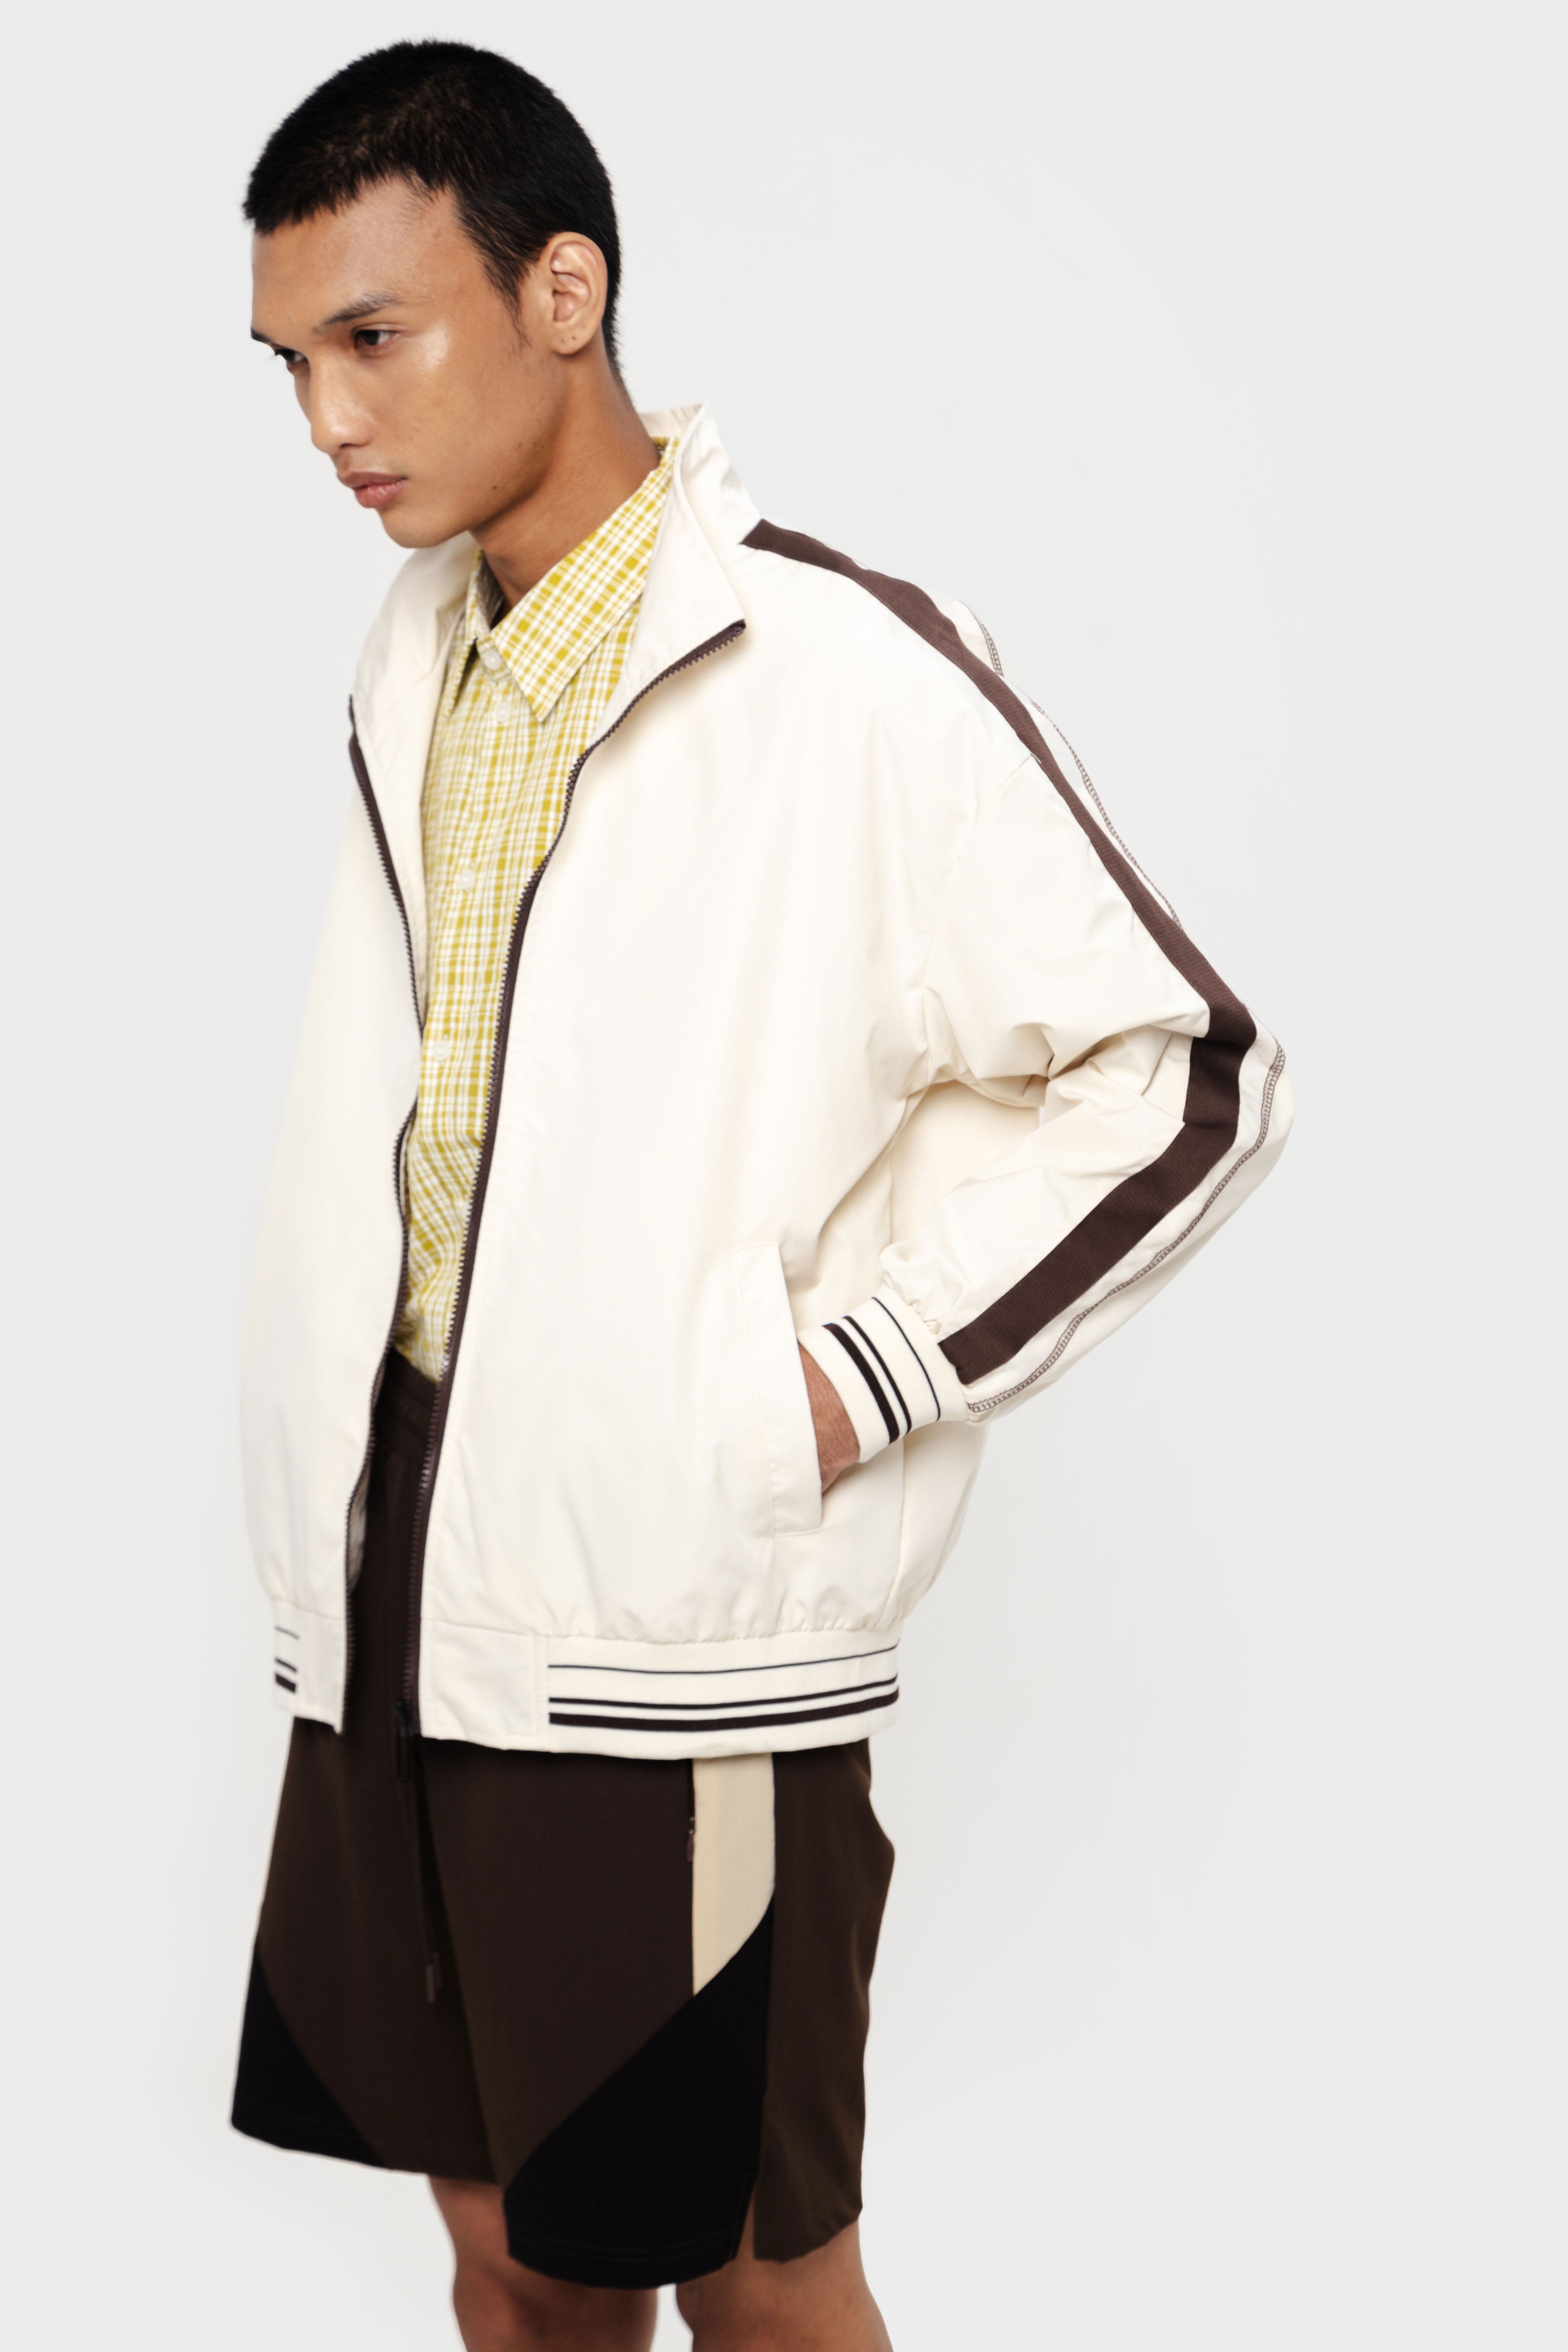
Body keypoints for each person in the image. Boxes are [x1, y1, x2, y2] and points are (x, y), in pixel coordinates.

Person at [232, 38, 1292, 2352]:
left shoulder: (838, 671)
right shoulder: (419, 650)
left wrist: (844, 1377)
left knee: (752, 2267)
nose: (326, 416)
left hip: (664, 1632)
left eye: (372, 337)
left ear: (564, 292)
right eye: (289, 360)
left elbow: (1186, 1074)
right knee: (504, 2251)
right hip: (398, 1584)